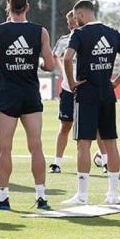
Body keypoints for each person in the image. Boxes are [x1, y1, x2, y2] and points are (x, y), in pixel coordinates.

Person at [62, 0, 120, 205]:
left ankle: (82, 195)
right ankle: (112, 194)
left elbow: (67, 58)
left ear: (79, 16)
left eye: (75, 18)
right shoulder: (112, 32)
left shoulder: (78, 34)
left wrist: (71, 82)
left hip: (86, 93)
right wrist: (117, 81)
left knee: (83, 144)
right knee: (110, 143)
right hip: (107, 93)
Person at [0, 0, 54, 211]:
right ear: (27, 7)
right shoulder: (40, 31)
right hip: (31, 94)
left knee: (4, 148)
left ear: (9, 8)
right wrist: (38, 64)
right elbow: (50, 65)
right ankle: (41, 197)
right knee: (36, 146)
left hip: (8, 95)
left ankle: (3, 198)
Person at [50, 11, 79, 174]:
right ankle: (57, 162)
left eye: (73, 21)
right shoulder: (64, 40)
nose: (71, 24)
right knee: (65, 125)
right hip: (68, 89)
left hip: (85, 88)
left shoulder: (87, 38)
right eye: (69, 22)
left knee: (94, 127)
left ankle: (104, 161)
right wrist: (63, 72)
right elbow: (55, 56)